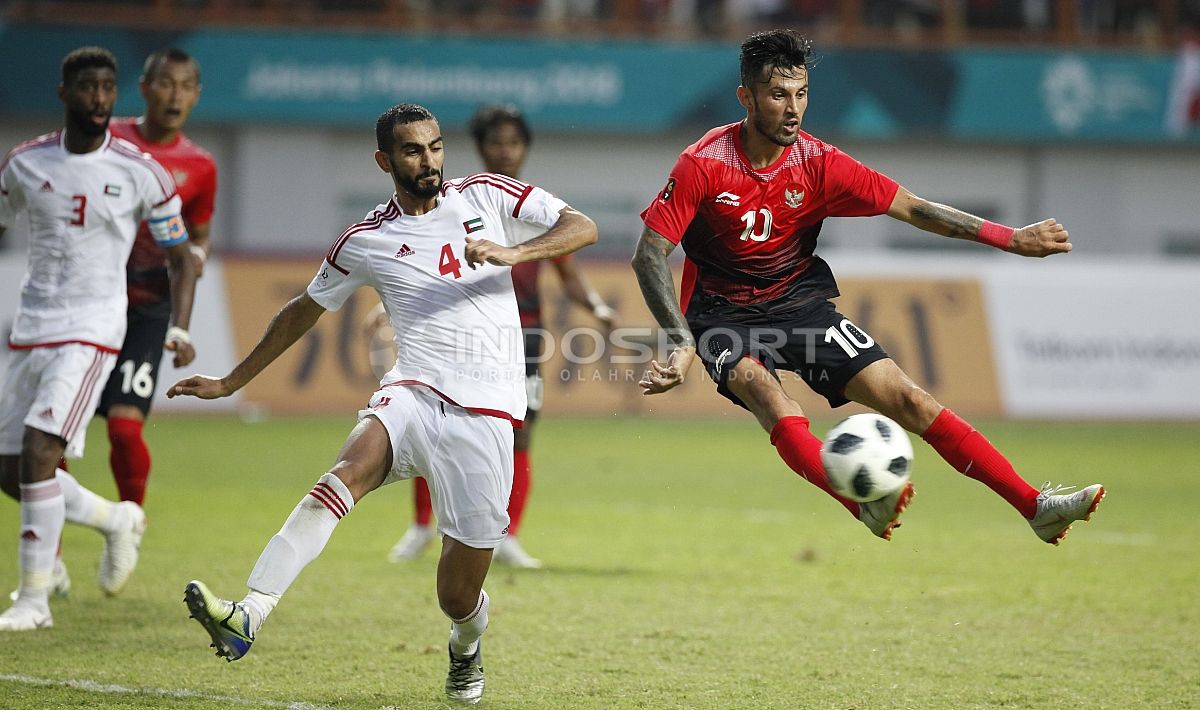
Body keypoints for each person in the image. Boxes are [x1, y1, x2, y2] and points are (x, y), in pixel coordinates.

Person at [169, 103, 597, 704]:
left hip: (488, 414)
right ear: (384, 161)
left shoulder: (488, 195)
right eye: (413, 151)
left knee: (457, 596)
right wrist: (232, 382)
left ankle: (466, 644)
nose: (429, 161)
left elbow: (583, 226)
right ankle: (251, 613)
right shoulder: (366, 238)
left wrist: (515, 252)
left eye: (436, 147)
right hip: (413, 391)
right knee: (341, 476)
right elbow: (303, 310)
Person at [632, 29, 1105, 546]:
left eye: (801, 93)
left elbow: (915, 208)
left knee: (909, 400)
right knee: (771, 397)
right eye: (777, 95)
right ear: (745, 97)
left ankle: (1035, 506)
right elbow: (650, 254)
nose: (793, 109)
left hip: (796, 303)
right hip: (720, 315)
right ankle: (865, 505)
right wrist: (679, 342)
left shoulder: (820, 163)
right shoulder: (704, 164)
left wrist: (1009, 237)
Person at [0, 46, 197, 631]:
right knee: (9, 469)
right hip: (31, 326)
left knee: (40, 452)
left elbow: (182, 257)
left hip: (93, 330)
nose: (99, 99)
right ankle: (115, 519)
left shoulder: (141, 171)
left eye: (108, 89)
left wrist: (180, 326)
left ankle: (33, 599)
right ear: (65, 93)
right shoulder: (24, 164)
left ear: (117, 95)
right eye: (87, 88)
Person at [388, 105, 616, 569]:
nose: (506, 151)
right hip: (463, 332)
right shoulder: (456, 202)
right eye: (497, 142)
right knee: (436, 424)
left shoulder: (534, 208)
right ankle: (419, 526)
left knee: (522, 432)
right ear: (480, 148)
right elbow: (420, 266)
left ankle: (507, 535)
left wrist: (595, 306)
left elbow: (567, 268)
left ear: (525, 149)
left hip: (526, 335)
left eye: (514, 143)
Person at [99, 48, 217, 508]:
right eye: (166, 83)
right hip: (92, 299)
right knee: (55, 435)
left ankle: (130, 522)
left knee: (125, 428)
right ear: (145, 87)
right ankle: (52, 551)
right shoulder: (109, 140)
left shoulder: (201, 165)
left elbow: (200, 236)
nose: (176, 95)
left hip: (149, 305)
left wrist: (196, 256)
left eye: (187, 87)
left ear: (197, 96)